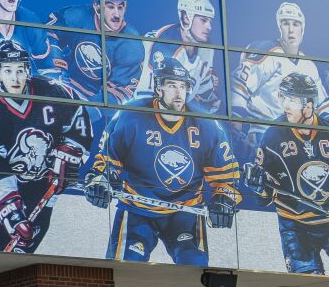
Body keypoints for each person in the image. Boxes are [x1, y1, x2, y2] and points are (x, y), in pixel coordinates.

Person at [85, 57, 241, 265]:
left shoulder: (206, 124)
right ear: (158, 88)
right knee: (123, 267)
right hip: (136, 207)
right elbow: (106, 163)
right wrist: (100, 181)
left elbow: (227, 179)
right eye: (171, 85)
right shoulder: (130, 115)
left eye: (183, 86)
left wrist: (224, 198)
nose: (179, 93)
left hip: (185, 211)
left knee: (194, 268)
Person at [0, 38, 91, 252]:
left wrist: (70, 154)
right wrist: (11, 213)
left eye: (20, 70)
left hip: (41, 188)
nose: (15, 78)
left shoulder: (54, 92)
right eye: (8, 71)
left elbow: (80, 123)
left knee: (22, 254)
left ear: (27, 70)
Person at [244, 71, 329, 277]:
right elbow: (263, 198)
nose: (286, 105)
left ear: (309, 105)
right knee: (308, 286)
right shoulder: (272, 136)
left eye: (292, 99)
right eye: (284, 98)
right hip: (295, 226)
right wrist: (259, 186)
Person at [230, 0, 329, 145]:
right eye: (286, 23)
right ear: (279, 26)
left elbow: (324, 108)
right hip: (263, 135)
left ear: (302, 29)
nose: (291, 30)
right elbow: (238, 87)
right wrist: (236, 125)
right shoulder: (265, 52)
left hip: (296, 139)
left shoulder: (309, 66)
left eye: (296, 24)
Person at [139, 0, 223, 116]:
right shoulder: (164, 46)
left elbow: (203, 90)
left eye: (210, 21)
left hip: (176, 111)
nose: (209, 27)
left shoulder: (207, 48)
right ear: (186, 18)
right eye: (203, 20)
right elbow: (146, 98)